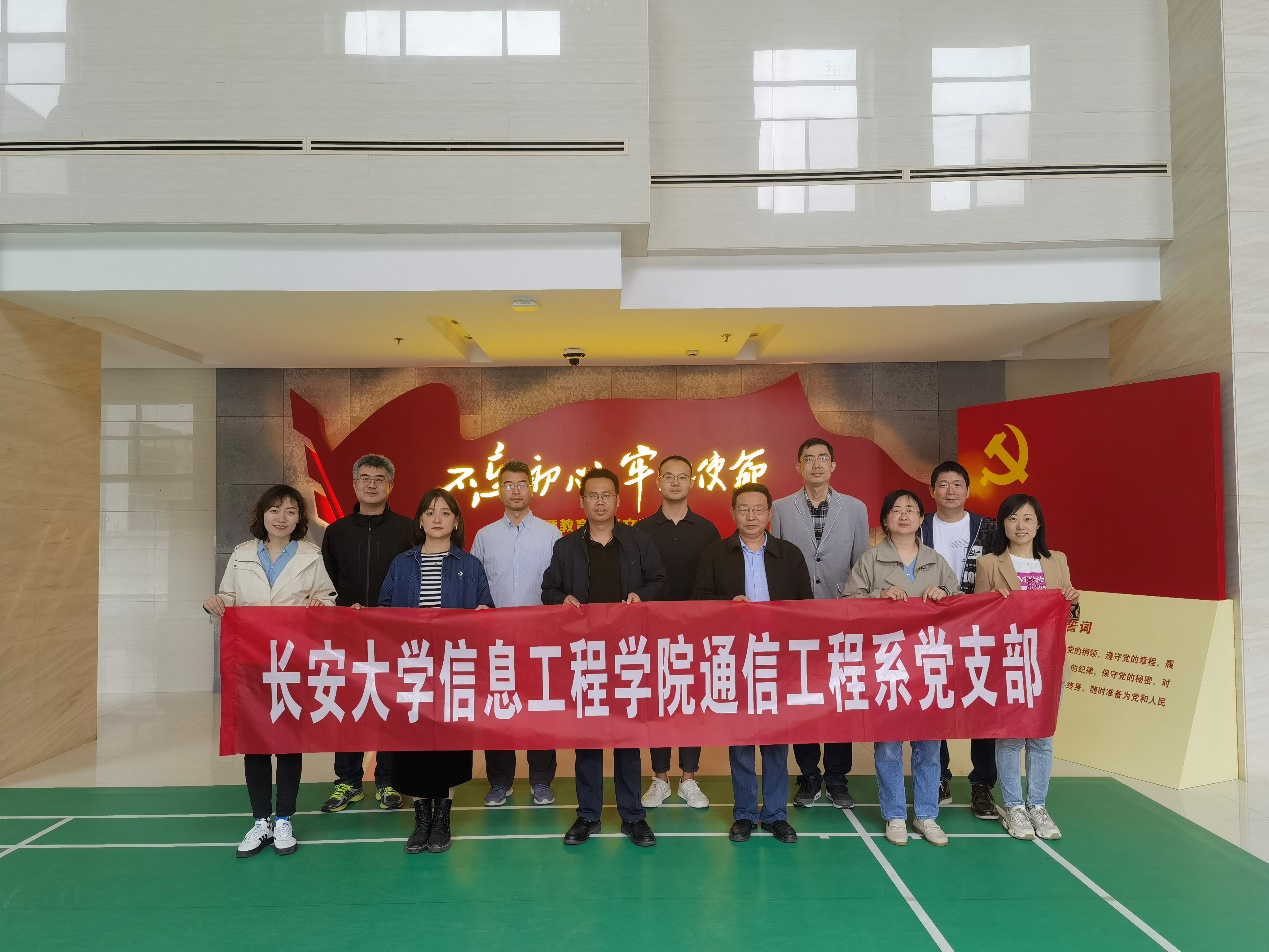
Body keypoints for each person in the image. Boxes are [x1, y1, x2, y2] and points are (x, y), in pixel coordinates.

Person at [203, 485, 336, 859]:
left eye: (291, 511)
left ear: (299, 519)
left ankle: (284, 819)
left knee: (289, 741)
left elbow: (327, 599)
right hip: (251, 662)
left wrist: (319, 605)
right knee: (256, 743)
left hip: (292, 661)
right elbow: (228, 598)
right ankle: (260, 820)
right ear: (262, 515)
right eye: (275, 510)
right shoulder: (242, 554)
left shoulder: (310, 555)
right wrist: (215, 602)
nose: (282, 518)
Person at [542, 468, 667, 848]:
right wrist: (561, 598)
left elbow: (659, 580)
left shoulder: (638, 541)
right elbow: (548, 588)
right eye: (593, 495)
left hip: (629, 653)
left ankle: (633, 816)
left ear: (617, 500)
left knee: (628, 737)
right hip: (586, 655)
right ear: (582, 501)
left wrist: (642, 596)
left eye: (606, 495)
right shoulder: (566, 546)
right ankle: (588, 815)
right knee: (588, 738)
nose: (600, 502)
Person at [692, 482, 811, 844]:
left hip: (778, 658)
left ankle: (775, 814)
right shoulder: (715, 553)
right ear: (733, 513)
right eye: (743, 509)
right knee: (741, 738)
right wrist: (728, 603)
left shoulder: (789, 554)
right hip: (734, 657)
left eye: (758, 509)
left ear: (769, 513)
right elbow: (699, 599)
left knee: (775, 739)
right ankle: (744, 813)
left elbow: (806, 607)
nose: (751, 516)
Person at [379, 488, 494, 854]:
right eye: (429, 512)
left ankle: (442, 816)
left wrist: (484, 614)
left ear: (455, 521)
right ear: (420, 521)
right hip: (411, 666)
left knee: (448, 744)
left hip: (452, 667)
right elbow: (383, 611)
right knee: (413, 743)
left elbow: (487, 609)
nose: (437, 518)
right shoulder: (402, 564)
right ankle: (421, 818)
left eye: (445, 512)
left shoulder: (470, 565)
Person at [843, 489, 958, 847]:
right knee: (889, 745)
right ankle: (894, 815)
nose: (904, 515)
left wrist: (944, 596)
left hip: (928, 665)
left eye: (911, 510)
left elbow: (962, 610)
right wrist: (877, 597)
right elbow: (848, 605)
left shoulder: (936, 561)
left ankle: (926, 815)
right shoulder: (870, 560)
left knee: (929, 745)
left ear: (922, 519)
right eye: (896, 510)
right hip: (887, 665)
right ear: (885, 520)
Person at [770, 437, 870, 809]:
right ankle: (809, 775)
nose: (816, 464)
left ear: (833, 466)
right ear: (798, 466)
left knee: (840, 698)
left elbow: (861, 563)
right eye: (808, 459)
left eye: (822, 458)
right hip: (797, 619)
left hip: (842, 615)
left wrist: (855, 610)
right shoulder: (781, 508)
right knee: (804, 698)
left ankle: (838, 778)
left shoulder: (855, 508)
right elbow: (776, 560)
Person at [975, 493, 1080, 842]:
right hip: (1008, 663)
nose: (1020, 526)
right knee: (1009, 738)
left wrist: (1074, 602)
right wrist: (994, 606)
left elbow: (1068, 616)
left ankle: (1038, 805)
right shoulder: (990, 564)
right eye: (1012, 518)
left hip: (1048, 663)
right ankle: (1014, 807)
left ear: (1038, 525)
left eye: (1027, 518)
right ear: (1002, 525)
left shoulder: (1057, 560)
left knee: (1042, 737)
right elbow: (976, 619)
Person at [319, 453, 415, 814]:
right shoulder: (336, 532)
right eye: (365, 478)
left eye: (379, 479)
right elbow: (327, 583)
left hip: (395, 637)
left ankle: (389, 780)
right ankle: (348, 781)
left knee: (391, 707)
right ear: (355, 484)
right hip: (348, 636)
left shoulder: (408, 530)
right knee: (348, 707)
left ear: (390, 485)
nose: (372, 484)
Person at [469, 459, 562, 807]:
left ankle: (541, 781)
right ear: (499, 490)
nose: (516, 490)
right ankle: (500, 781)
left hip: (541, 640)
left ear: (532, 488)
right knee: (498, 711)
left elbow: (560, 585)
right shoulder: (485, 536)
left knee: (540, 711)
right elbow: (476, 586)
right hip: (496, 641)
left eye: (522, 483)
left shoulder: (551, 534)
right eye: (509, 484)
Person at [635, 454, 721, 811]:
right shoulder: (641, 530)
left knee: (689, 702)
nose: (674, 482)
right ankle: (659, 778)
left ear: (691, 482)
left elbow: (715, 581)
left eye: (682, 477)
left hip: (696, 633)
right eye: (668, 476)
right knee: (658, 702)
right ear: (657, 482)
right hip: (652, 632)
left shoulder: (707, 529)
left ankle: (688, 778)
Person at [920, 460, 1000, 819]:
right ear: (932, 491)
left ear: (968, 490)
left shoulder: (989, 528)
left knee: (981, 703)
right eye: (942, 484)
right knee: (935, 700)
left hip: (979, 630)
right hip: (931, 631)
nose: (950, 491)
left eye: (957, 484)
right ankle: (939, 776)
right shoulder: (919, 527)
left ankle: (982, 784)